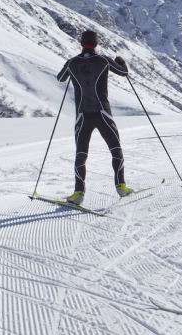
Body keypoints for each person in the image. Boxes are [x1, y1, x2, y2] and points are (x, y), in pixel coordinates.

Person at [56, 30, 134, 204]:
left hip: (82, 115)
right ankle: (121, 186)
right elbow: (123, 73)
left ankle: (78, 193)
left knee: (81, 153)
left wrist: (71, 68)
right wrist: (121, 61)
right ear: (96, 44)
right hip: (103, 113)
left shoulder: (73, 62)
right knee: (115, 148)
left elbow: (61, 78)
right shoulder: (103, 60)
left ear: (81, 43)